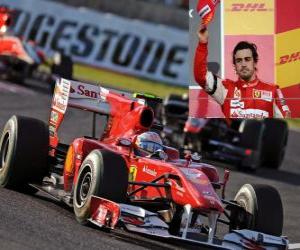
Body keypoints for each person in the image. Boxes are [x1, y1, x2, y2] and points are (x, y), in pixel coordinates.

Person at [194, 24, 291, 118]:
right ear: (235, 66)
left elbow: (284, 121)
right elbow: (200, 76)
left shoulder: (273, 90)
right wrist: (202, 43)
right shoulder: (225, 88)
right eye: (239, 61)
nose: (243, 64)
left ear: (255, 62)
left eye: (247, 59)